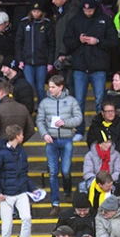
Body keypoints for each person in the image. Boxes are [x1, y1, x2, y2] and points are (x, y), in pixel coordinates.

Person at [64, 0, 118, 141]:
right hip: (80, 67)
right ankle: (80, 130)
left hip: (98, 68)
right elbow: (67, 42)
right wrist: (79, 40)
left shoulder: (105, 20)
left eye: (91, 10)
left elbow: (114, 41)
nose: (88, 12)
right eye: (85, 10)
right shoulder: (75, 21)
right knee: (79, 101)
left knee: (100, 100)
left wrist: (98, 41)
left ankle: (101, 129)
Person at [36, 75, 83, 214]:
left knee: (66, 170)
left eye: (53, 87)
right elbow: (40, 120)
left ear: (61, 87)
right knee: (52, 173)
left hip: (67, 139)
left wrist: (65, 123)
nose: (50, 89)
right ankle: (55, 203)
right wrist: (44, 134)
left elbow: (79, 118)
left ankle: (67, 191)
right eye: (49, 87)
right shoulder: (44, 103)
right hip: (51, 140)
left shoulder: (71, 101)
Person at [14, 0, 55, 103]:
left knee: (41, 88)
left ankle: (42, 110)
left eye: (38, 11)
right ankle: (30, 110)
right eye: (34, 11)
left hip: (41, 61)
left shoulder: (46, 24)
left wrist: (50, 62)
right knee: (29, 87)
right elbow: (18, 43)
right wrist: (20, 59)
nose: (36, 13)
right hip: (27, 61)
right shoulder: (24, 23)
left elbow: (51, 44)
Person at [0, 81, 35, 147]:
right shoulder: (23, 108)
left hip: (0, 147)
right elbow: (31, 129)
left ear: (2, 92)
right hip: (17, 147)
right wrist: (19, 140)